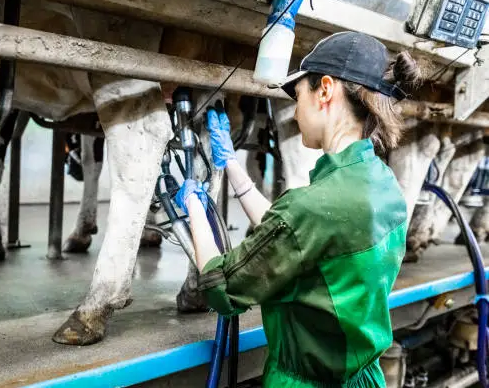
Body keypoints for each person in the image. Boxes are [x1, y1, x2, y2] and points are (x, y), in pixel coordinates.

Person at [174, 31, 422, 387]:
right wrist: (232, 167)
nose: (295, 108)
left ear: (325, 90)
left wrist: (195, 207)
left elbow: (220, 285)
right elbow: (297, 242)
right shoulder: (384, 186)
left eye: (298, 93)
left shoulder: (312, 206)